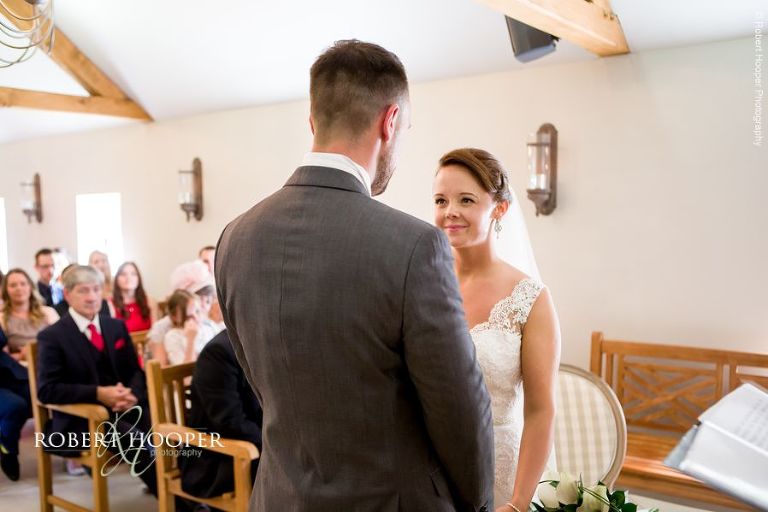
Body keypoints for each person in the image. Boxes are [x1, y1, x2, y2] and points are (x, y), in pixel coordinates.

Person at [216, 40, 494, 512]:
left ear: (313, 121)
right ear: (390, 122)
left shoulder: (234, 238)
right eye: (404, 129)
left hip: (279, 498)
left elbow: (262, 383)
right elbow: (458, 411)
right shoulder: (414, 246)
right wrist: (477, 504)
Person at [432, 148, 561, 512]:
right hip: (430, 474)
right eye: (441, 200)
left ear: (499, 209)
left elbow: (541, 409)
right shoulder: (423, 284)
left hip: (502, 476)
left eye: (466, 200)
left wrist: (519, 501)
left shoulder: (530, 298)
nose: (449, 211)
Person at [36, 265, 157, 495]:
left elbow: (135, 371)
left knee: (168, 436)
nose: (92, 297)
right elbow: (47, 390)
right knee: (139, 443)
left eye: (96, 289)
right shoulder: (52, 336)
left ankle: (186, 492)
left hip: (126, 407)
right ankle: (181, 504)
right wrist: (98, 394)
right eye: (83, 291)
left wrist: (132, 394)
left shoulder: (115, 326)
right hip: (83, 419)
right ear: (68, 294)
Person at [180, 330, 262, 498]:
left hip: (253, 443)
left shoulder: (259, 345)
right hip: (218, 458)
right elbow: (230, 422)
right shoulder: (218, 352)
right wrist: (274, 443)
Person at [0, 268, 59, 362]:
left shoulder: (48, 313)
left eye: (23, 284)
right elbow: (3, 357)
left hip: (50, 361)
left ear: (30, 287)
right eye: (13, 285)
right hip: (18, 370)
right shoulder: (2, 318)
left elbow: (62, 342)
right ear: (6, 290)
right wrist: (21, 356)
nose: (19, 288)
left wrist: (35, 351)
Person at [0, 322, 31, 481]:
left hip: (8, 371)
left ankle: (6, 437)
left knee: (41, 395)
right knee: (14, 406)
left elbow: (2, 341)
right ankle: (8, 449)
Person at [111, 262, 155, 333]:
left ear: (139, 279)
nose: (128, 278)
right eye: (123, 274)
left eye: (133, 274)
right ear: (117, 279)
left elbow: (156, 334)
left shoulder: (150, 301)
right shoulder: (110, 304)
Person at [162, 290, 200, 365]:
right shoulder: (172, 337)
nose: (196, 318)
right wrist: (191, 340)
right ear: (174, 317)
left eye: (197, 311)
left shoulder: (207, 328)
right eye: (189, 316)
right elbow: (186, 372)